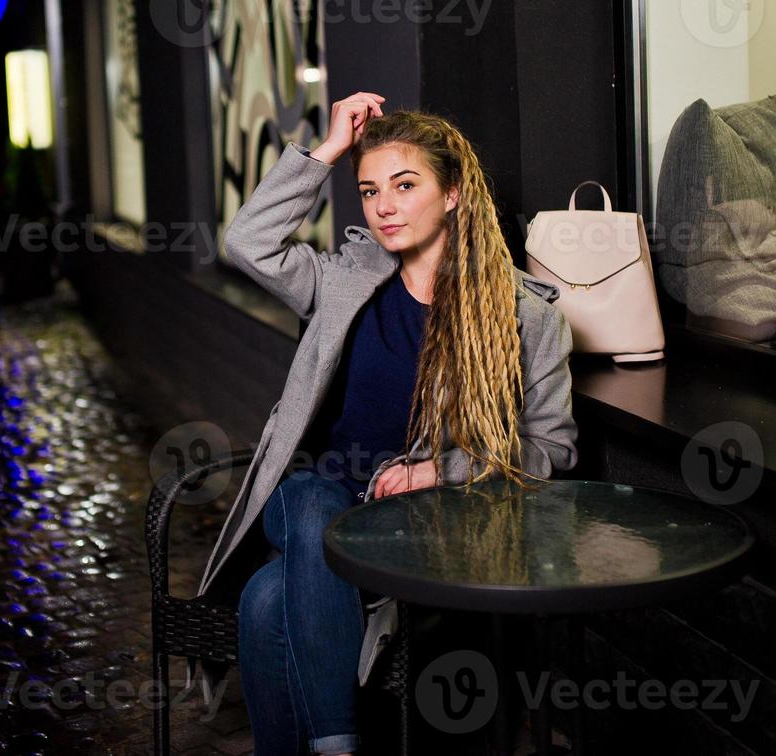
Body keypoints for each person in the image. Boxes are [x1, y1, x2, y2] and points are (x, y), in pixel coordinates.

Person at [190, 92, 580, 755]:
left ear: (452, 194)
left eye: (404, 185)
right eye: (369, 190)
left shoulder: (525, 316)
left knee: (263, 600)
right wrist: (328, 149)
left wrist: (440, 468)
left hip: (416, 525)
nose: (383, 206)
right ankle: (339, 747)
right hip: (314, 495)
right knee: (313, 504)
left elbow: (552, 449)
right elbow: (246, 241)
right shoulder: (343, 280)